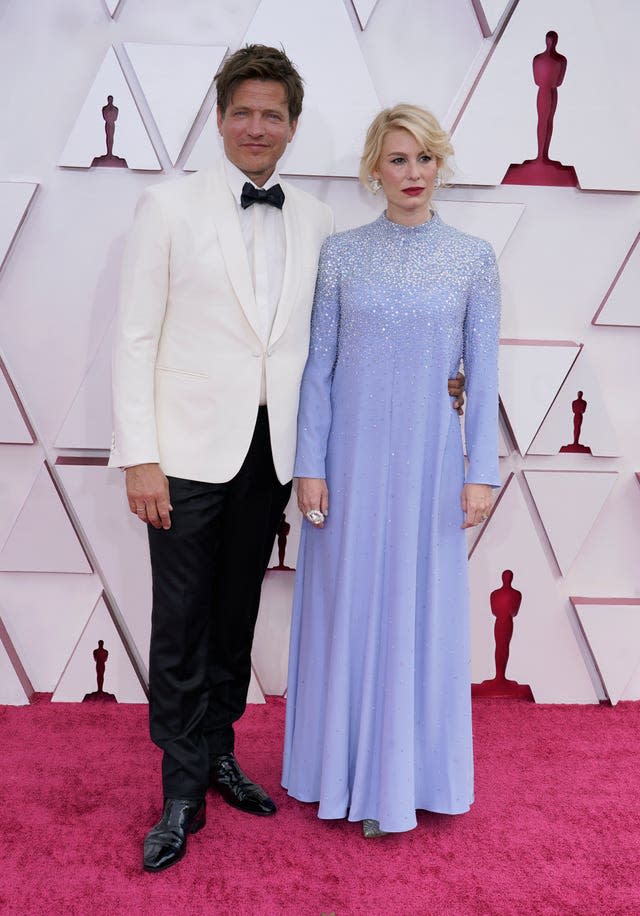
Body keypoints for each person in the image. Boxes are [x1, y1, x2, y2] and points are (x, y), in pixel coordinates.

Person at [111, 45, 466, 871]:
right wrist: (139, 455)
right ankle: (180, 787)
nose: (258, 126)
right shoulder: (166, 209)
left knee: (236, 613)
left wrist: (438, 386)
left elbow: (347, 336)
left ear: (294, 126)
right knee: (181, 622)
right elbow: (133, 337)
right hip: (187, 452)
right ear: (220, 117)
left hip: (275, 453)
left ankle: (222, 752)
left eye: (274, 114)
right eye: (244, 112)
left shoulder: (319, 222)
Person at [282, 104, 500, 838]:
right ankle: (340, 776)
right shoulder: (341, 254)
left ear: (441, 166)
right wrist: (310, 464)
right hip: (347, 459)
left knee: (419, 612)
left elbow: (484, 372)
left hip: (430, 462)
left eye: (425, 159)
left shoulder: (473, 258)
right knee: (347, 608)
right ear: (374, 169)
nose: (413, 174)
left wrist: (480, 472)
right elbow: (320, 369)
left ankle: (407, 781)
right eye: (398, 159)